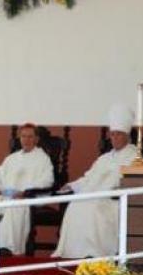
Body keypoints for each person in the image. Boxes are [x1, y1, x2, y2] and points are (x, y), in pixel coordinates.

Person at [53, 105, 138, 258]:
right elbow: (89, 178)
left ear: (127, 135)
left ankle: (95, 253)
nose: (115, 138)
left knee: (93, 209)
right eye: (112, 135)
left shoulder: (134, 157)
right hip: (94, 197)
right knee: (76, 205)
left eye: (118, 134)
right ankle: (75, 253)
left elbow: (130, 183)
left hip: (114, 202)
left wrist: (106, 191)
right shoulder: (104, 158)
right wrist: (72, 185)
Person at [0, 124, 54, 255]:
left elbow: (47, 180)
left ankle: (7, 248)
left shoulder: (43, 159)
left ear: (36, 139)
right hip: (5, 195)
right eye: (23, 136)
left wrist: (25, 192)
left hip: (24, 197)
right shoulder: (12, 158)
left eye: (30, 136)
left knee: (13, 209)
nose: (26, 140)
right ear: (20, 138)